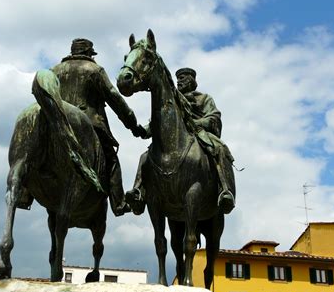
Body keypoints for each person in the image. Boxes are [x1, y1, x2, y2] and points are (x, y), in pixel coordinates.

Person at [52, 38, 145, 216]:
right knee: (111, 161)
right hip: (90, 125)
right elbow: (114, 98)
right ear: (89, 53)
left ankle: (25, 193)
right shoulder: (94, 70)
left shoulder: (55, 70)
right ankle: (118, 203)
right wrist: (133, 125)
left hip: (57, 124)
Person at [126, 67, 235, 214]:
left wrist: (197, 123)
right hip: (175, 138)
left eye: (184, 78)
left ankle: (225, 190)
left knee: (220, 149)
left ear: (193, 80)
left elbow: (213, 117)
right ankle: (138, 192)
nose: (180, 81)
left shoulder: (204, 98)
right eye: (178, 78)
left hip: (200, 133)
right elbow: (160, 120)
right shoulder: (171, 100)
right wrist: (144, 130)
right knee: (145, 156)